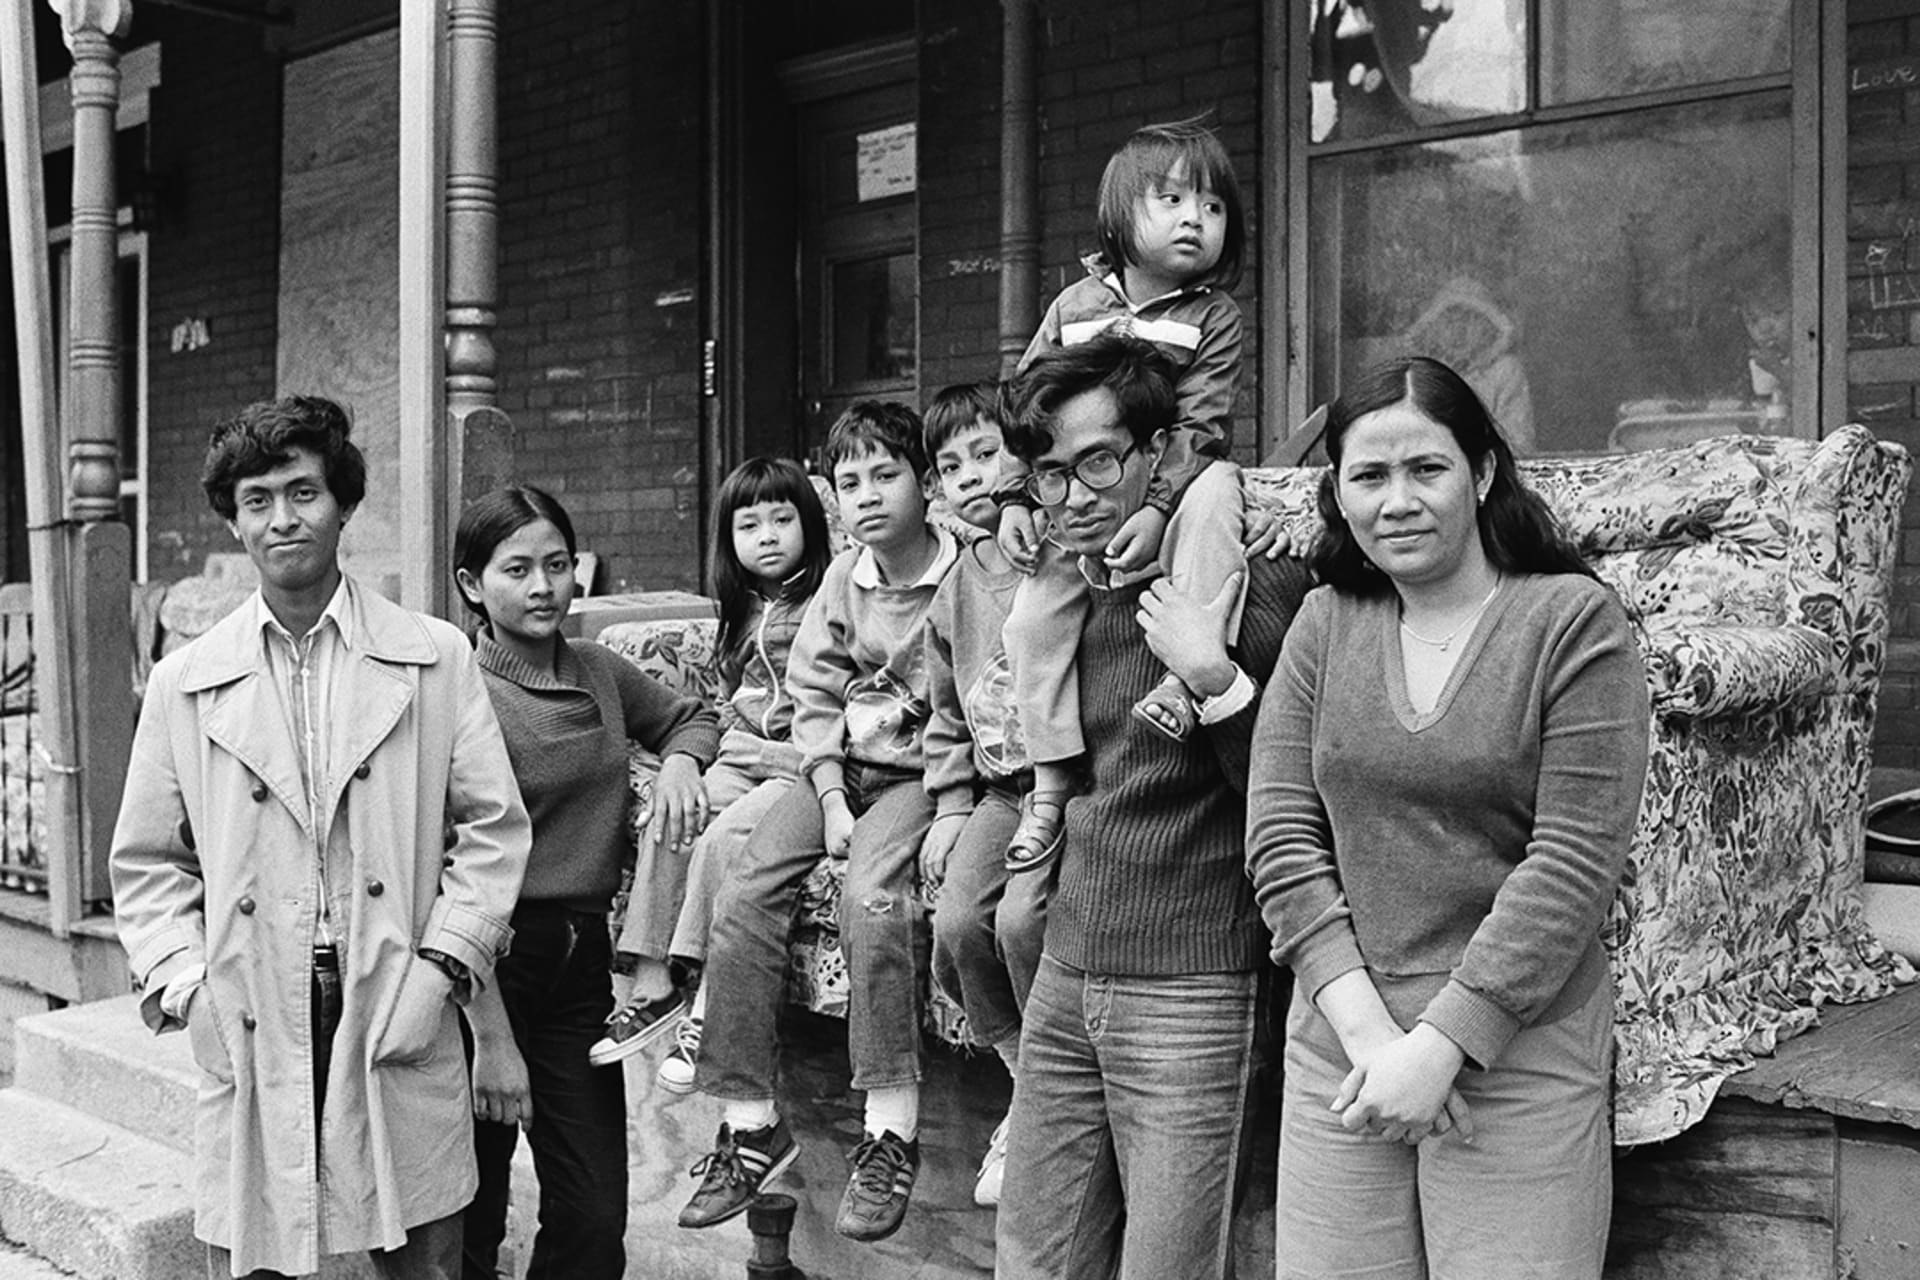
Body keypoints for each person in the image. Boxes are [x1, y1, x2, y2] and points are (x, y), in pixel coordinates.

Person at [1245, 356, 1650, 1279]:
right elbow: (1280, 839)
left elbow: (1573, 864)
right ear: (1337, 493)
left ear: (1483, 472)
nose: (1398, 501)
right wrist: (1373, 1042)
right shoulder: (1323, 623)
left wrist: (1439, 1050)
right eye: (1369, 476)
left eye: (1426, 468)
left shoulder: (1571, 622)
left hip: (1518, 1046)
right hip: (1343, 1044)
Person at [110, 396, 531, 1280]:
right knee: (259, 1253)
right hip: (252, 997)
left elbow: (492, 832)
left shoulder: (434, 655)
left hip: (394, 985)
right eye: (257, 500)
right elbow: (148, 864)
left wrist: (441, 972)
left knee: (423, 1254)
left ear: (343, 503)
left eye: (303, 492)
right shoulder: (185, 680)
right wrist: (188, 989)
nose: (283, 519)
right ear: (233, 521)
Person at [993, 336, 1310, 1280]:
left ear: (1161, 453)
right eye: (1050, 475)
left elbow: (1290, 801)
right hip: (1068, 970)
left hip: (1193, 986)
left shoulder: (1248, 583)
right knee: (1033, 1262)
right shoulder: (1066, 593)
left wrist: (1213, 678)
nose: (1074, 498)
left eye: (1099, 462)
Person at [679, 401, 958, 1242]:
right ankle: (751, 1125)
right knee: (744, 889)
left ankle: (889, 1133)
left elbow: (963, 706)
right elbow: (814, 694)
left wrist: (946, 804)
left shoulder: (961, 574)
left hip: (918, 776)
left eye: (886, 475)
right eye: (849, 481)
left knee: (872, 897)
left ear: (927, 482)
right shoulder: (843, 577)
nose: (867, 495)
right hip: (840, 772)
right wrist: (831, 796)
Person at [452, 484, 719, 1279]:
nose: (543, 587)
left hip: (578, 971)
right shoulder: (460, 693)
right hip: (486, 967)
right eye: (517, 570)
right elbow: (439, 866)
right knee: (470, 1213)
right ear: (472, 584)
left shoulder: (599, 670)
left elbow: (692, 716)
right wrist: (490, 1035)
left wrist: (679, 764)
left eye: (558, 565)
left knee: (595, 1216)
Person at [996, 114, 1250, 873]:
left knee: (1220, 491)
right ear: (1118, 213)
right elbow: (1026, 405)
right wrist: (1014, 498)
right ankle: (1049, 783)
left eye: (1212, 207)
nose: (1194, 220)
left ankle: (1183, 679)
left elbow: (1202, 423)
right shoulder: (1073, 308)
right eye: (1171, 201)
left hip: (1171, 484)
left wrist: (1160, 506)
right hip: (1084, 495)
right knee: (1030, 621)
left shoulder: (1211, 316)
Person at [590, 456, 832, 1089]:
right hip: (743, 755)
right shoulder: (743, 610)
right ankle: (652, 985)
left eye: (783, 520)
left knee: (723, 842)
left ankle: (707, 1005)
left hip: (797, 766)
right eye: (749, 526)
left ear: (810, 524)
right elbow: (730, 697)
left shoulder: (831, 600)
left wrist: (788, 754)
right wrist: (703, 756)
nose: (768, 537)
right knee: (673, 813)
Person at [917, 382, 1053, 1208]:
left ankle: (1051, 1098)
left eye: (986, 453)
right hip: (1002, 790)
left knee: (1020, 922)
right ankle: (1025, 1081)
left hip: (1070, 785)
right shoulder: (956, 586)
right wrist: (951, 804)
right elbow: (943, 712)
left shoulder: (1056, 547)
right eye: (950, 465)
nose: (970, 476)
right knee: (958, 923)